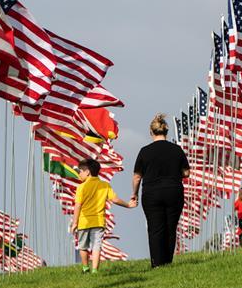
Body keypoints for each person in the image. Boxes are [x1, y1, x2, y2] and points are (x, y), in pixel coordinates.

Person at [132, 114, 190, 268]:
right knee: (171, 227)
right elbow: (186, 173)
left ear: (151, 132)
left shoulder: (144, 151)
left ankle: (157, 263)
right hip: (173, 191)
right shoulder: (176, 150)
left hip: (151, 193)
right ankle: (168, 261)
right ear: (166, 132)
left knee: (155, 227)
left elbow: (137, 177)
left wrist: (134, 195)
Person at [70, 158, 134, 274]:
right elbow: (115, 199)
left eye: (81, 171)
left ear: (88, 172)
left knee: (82, 246)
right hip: (99, 222)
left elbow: (77, 206)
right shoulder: (104, 185)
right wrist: (127, 205)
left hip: (84, 222)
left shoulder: (81, 187)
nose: (79, 173)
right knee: (96, 246)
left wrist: (74, 222)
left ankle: (85, 268)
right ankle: (95, 270)